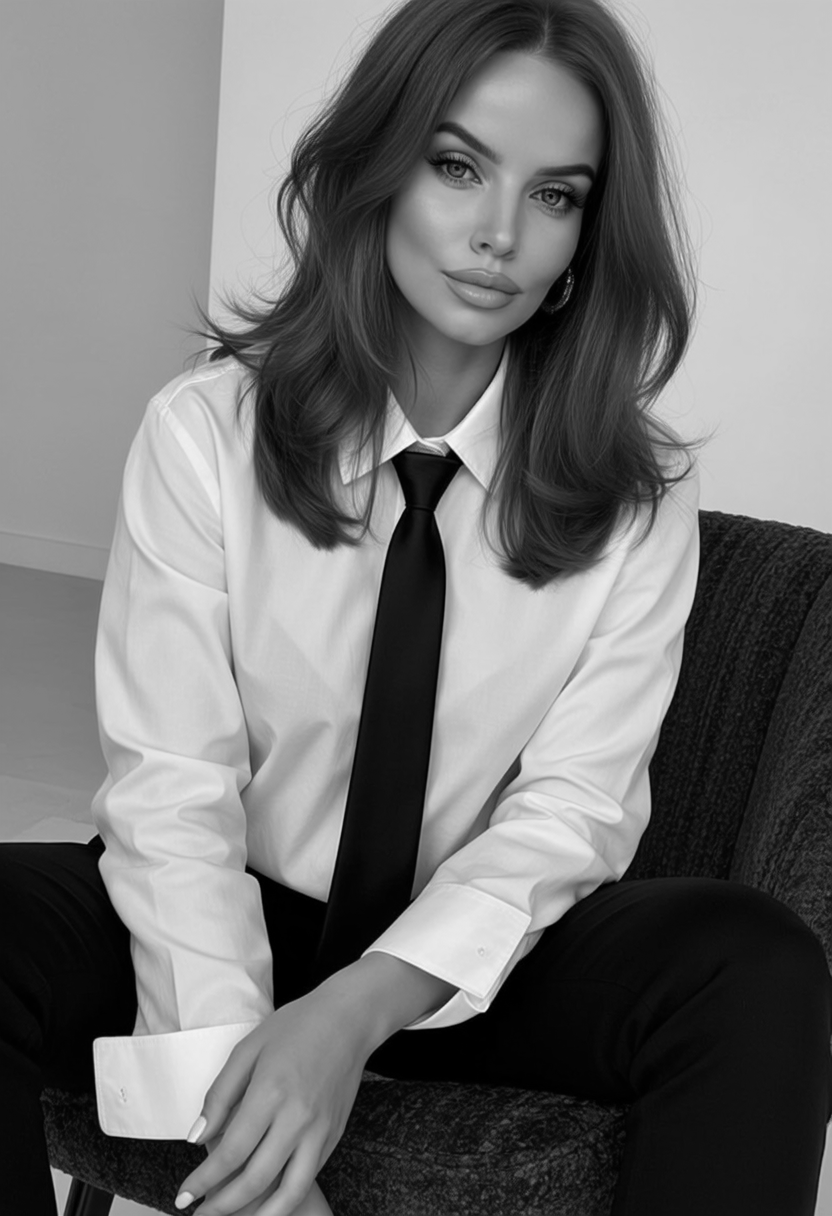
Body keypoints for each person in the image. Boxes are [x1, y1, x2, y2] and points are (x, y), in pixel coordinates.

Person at [2, 0, 831, 1213]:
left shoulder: (634, 491)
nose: (498, 235)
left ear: (586, 237)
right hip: (245, 905)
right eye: (457, 167)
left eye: (555, 195)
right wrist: (243, 1107)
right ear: (377, 172)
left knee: (750, 962)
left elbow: (573, 811)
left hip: (474, 958)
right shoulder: (206, 435)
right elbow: (173, 789)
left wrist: (348, 1016)